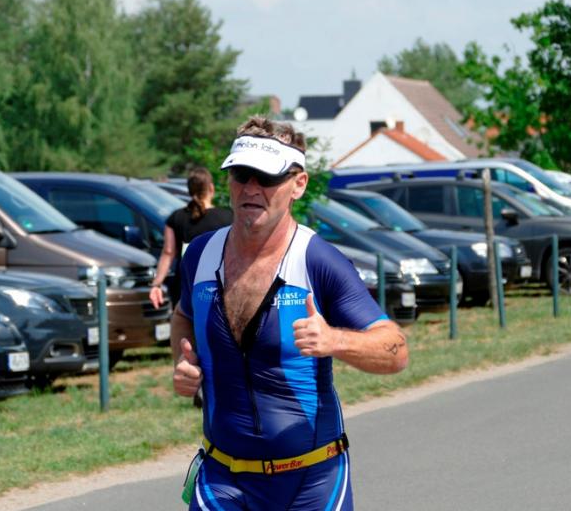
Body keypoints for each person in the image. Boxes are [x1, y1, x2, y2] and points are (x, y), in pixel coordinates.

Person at [172, 116, 408, 510]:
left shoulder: (318, 261)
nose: (251, 188)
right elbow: (182, 316)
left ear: (298, 184)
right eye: (241, 175)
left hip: (311, 481)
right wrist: (183, 360)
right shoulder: (200, 255)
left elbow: (396, 350)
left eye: (267, 177)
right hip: (221, 478)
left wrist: (334, 340)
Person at [149, 167, 233, 309]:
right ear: (211, 188)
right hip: (216, 288)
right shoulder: (228, 217)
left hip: (184, 287)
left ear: (189, 191)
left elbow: (168, 252)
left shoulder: (176, 218)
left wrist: (156, 284)